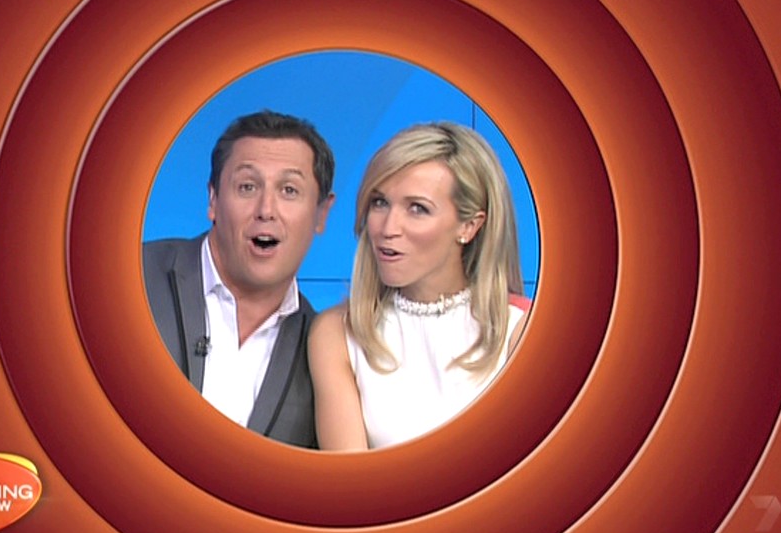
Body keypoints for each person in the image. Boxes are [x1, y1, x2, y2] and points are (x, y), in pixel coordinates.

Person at [308, 121, 530, 451]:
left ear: (469, 226)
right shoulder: (337, 333)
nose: (388, 228)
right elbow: (349, 478)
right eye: (380, 203)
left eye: (417, 209)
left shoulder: (523, 330)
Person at [142, 110, 335, 448]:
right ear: (213, 200)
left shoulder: (325, 352)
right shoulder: (130, 275)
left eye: (289, 190)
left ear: (321, 214)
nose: (266, 210)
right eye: (247, 187)